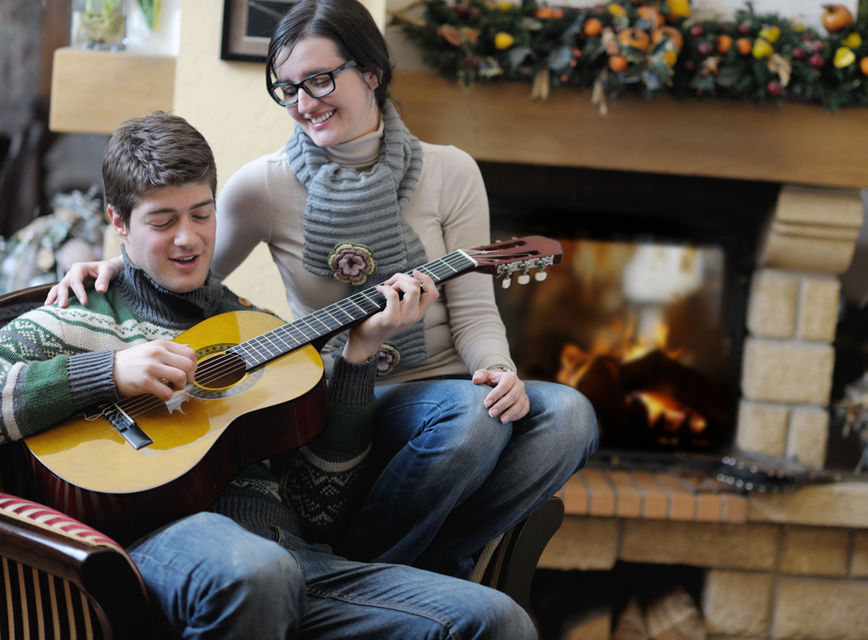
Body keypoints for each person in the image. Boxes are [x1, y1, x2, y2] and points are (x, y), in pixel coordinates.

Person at [47, 0, 598, 580]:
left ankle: (414, 565)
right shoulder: (264, 186)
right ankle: (370, 574)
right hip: (346, 397)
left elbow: (474, 312)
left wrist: (498, 369)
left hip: (450, 387)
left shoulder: (451, 172)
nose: (304, 103)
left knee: (570, 415)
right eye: (287, 88)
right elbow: (190, 273)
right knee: (471, 420)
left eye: (319, 79)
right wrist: (111, 264)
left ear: (372, 72)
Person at [10, 112, 537, 639]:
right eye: (163, 221)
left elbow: (319, 507)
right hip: (169, 550)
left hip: (295, 562)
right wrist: (108, 369)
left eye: (201, 213)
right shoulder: (80, 313)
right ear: (118, 222)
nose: (188, 239)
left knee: (496, 619)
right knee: (257, 570)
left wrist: (358, 357)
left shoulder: (253, 327)